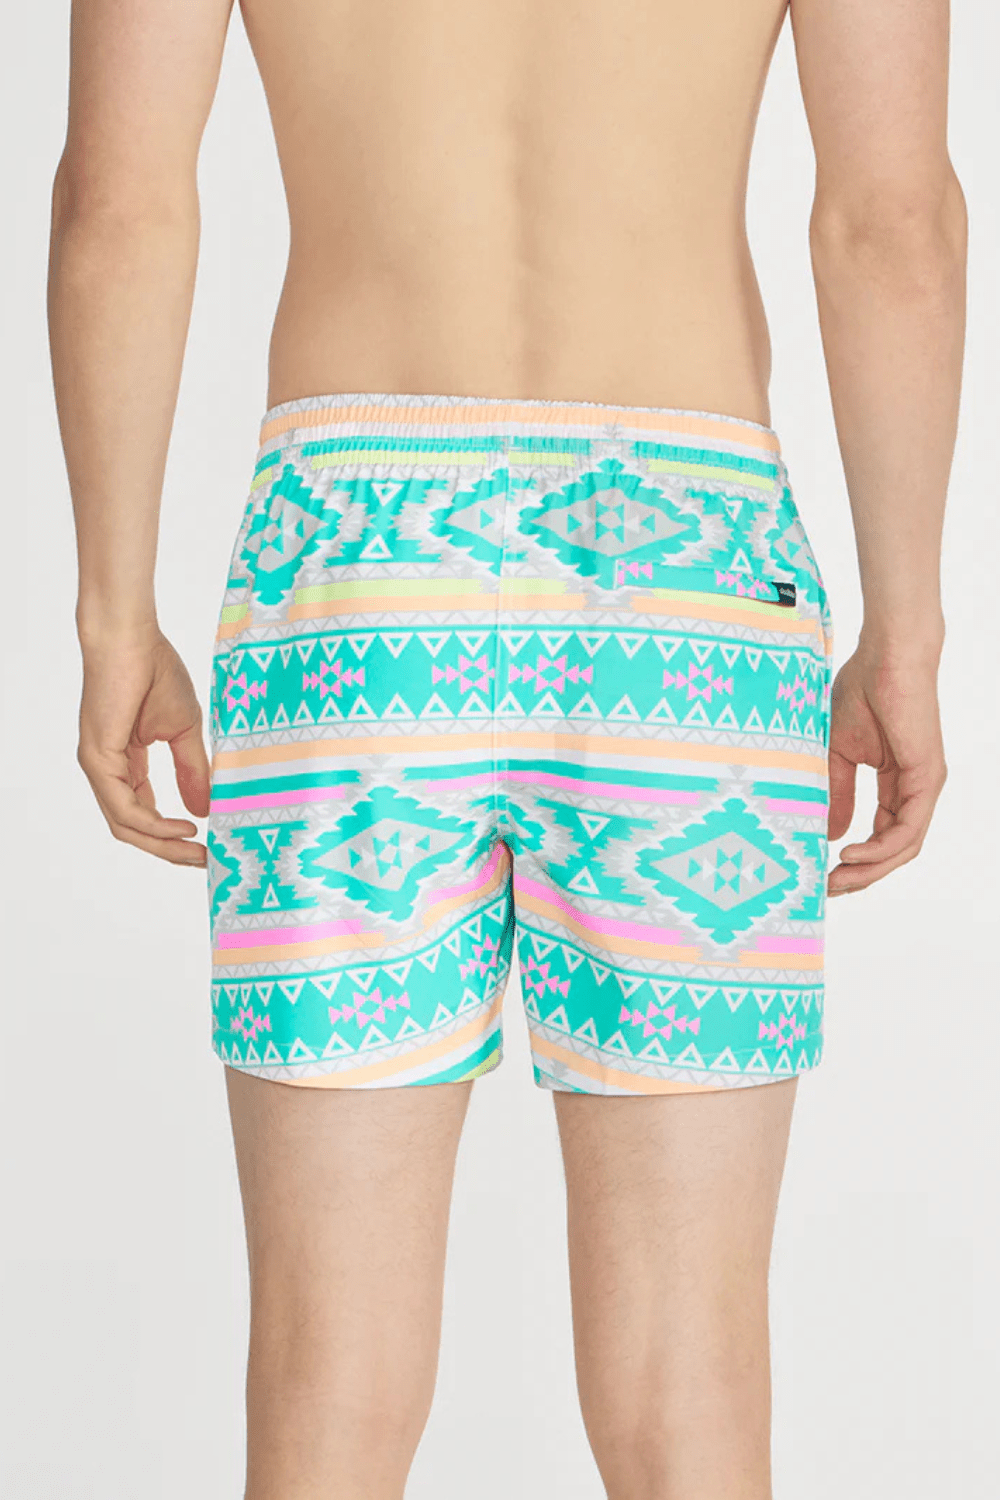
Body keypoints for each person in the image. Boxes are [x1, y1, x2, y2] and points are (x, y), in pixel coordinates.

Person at [48, 0, 965, 1495]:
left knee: (327, 1380)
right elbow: (891, 226)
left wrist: (111, 617)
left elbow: (118, 204)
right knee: (690, 1384)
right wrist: (906, 634)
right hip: (685, 579)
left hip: (355, 574)